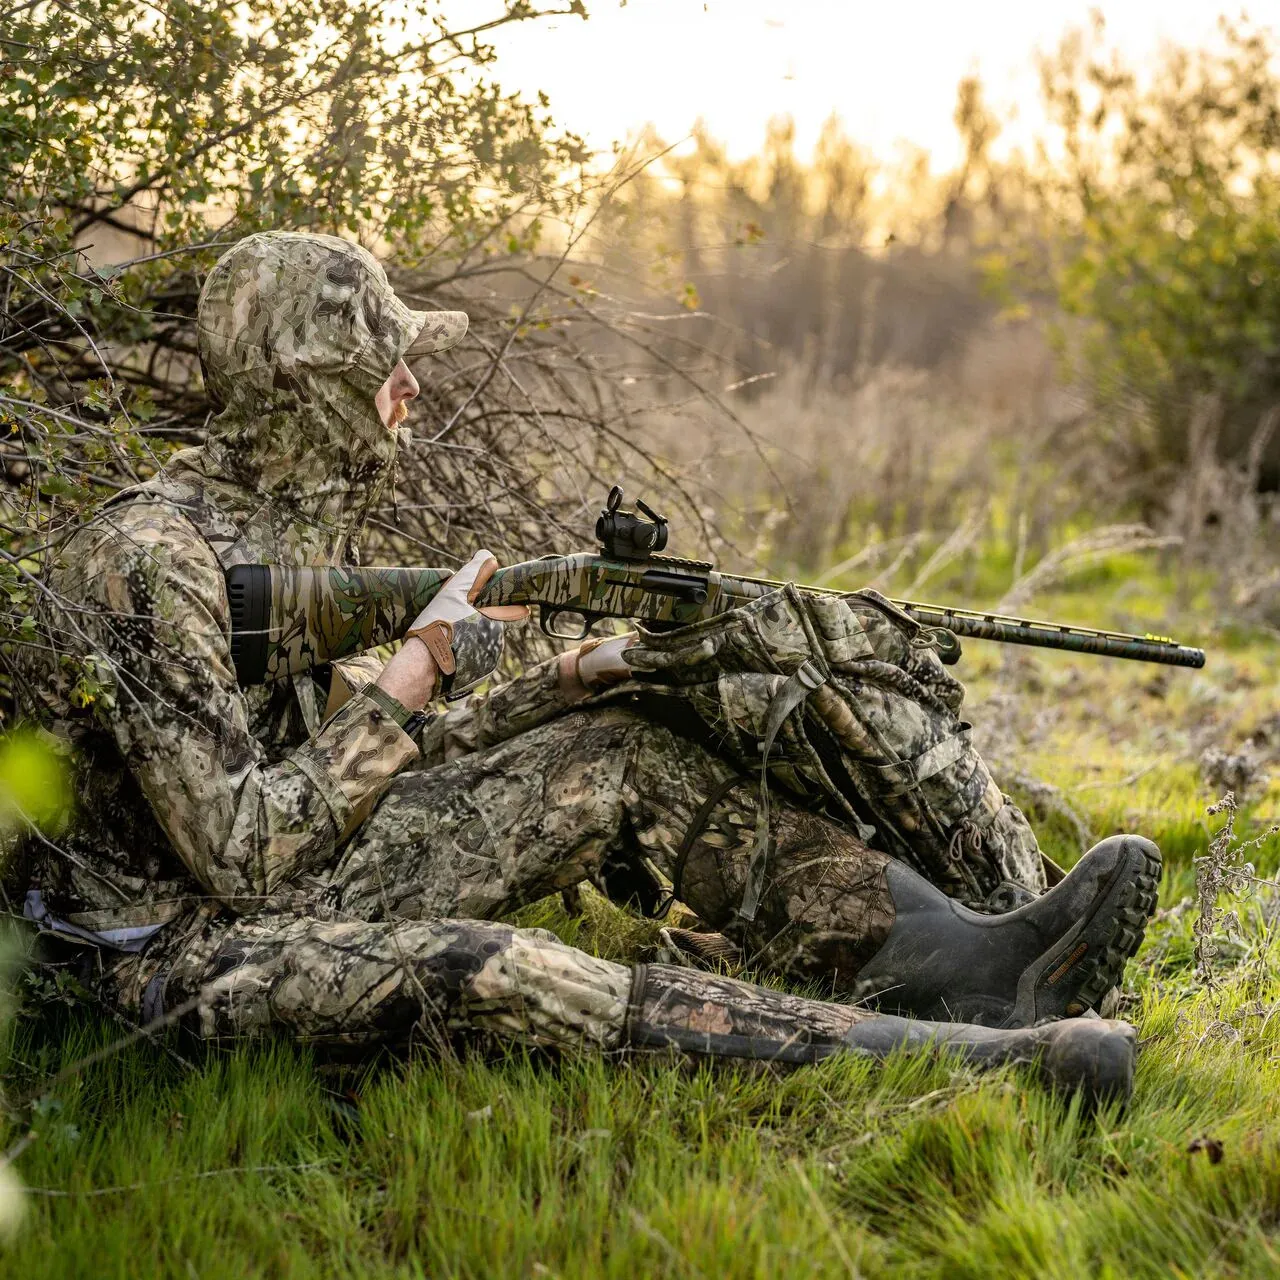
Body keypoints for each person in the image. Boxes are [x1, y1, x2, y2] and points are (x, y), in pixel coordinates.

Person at [12, 232, 1161, 1102]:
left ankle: (973, 960)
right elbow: (242, 850)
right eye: (389, 361)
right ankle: (987, 1060)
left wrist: (555, 684)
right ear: (313, 374)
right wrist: (418, 671)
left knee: (612, 753)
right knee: (508, 970)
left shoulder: (271, 533)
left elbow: (315, 783)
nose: (410, 385)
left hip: (273, 891)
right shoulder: (148, 561)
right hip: (153, 962)